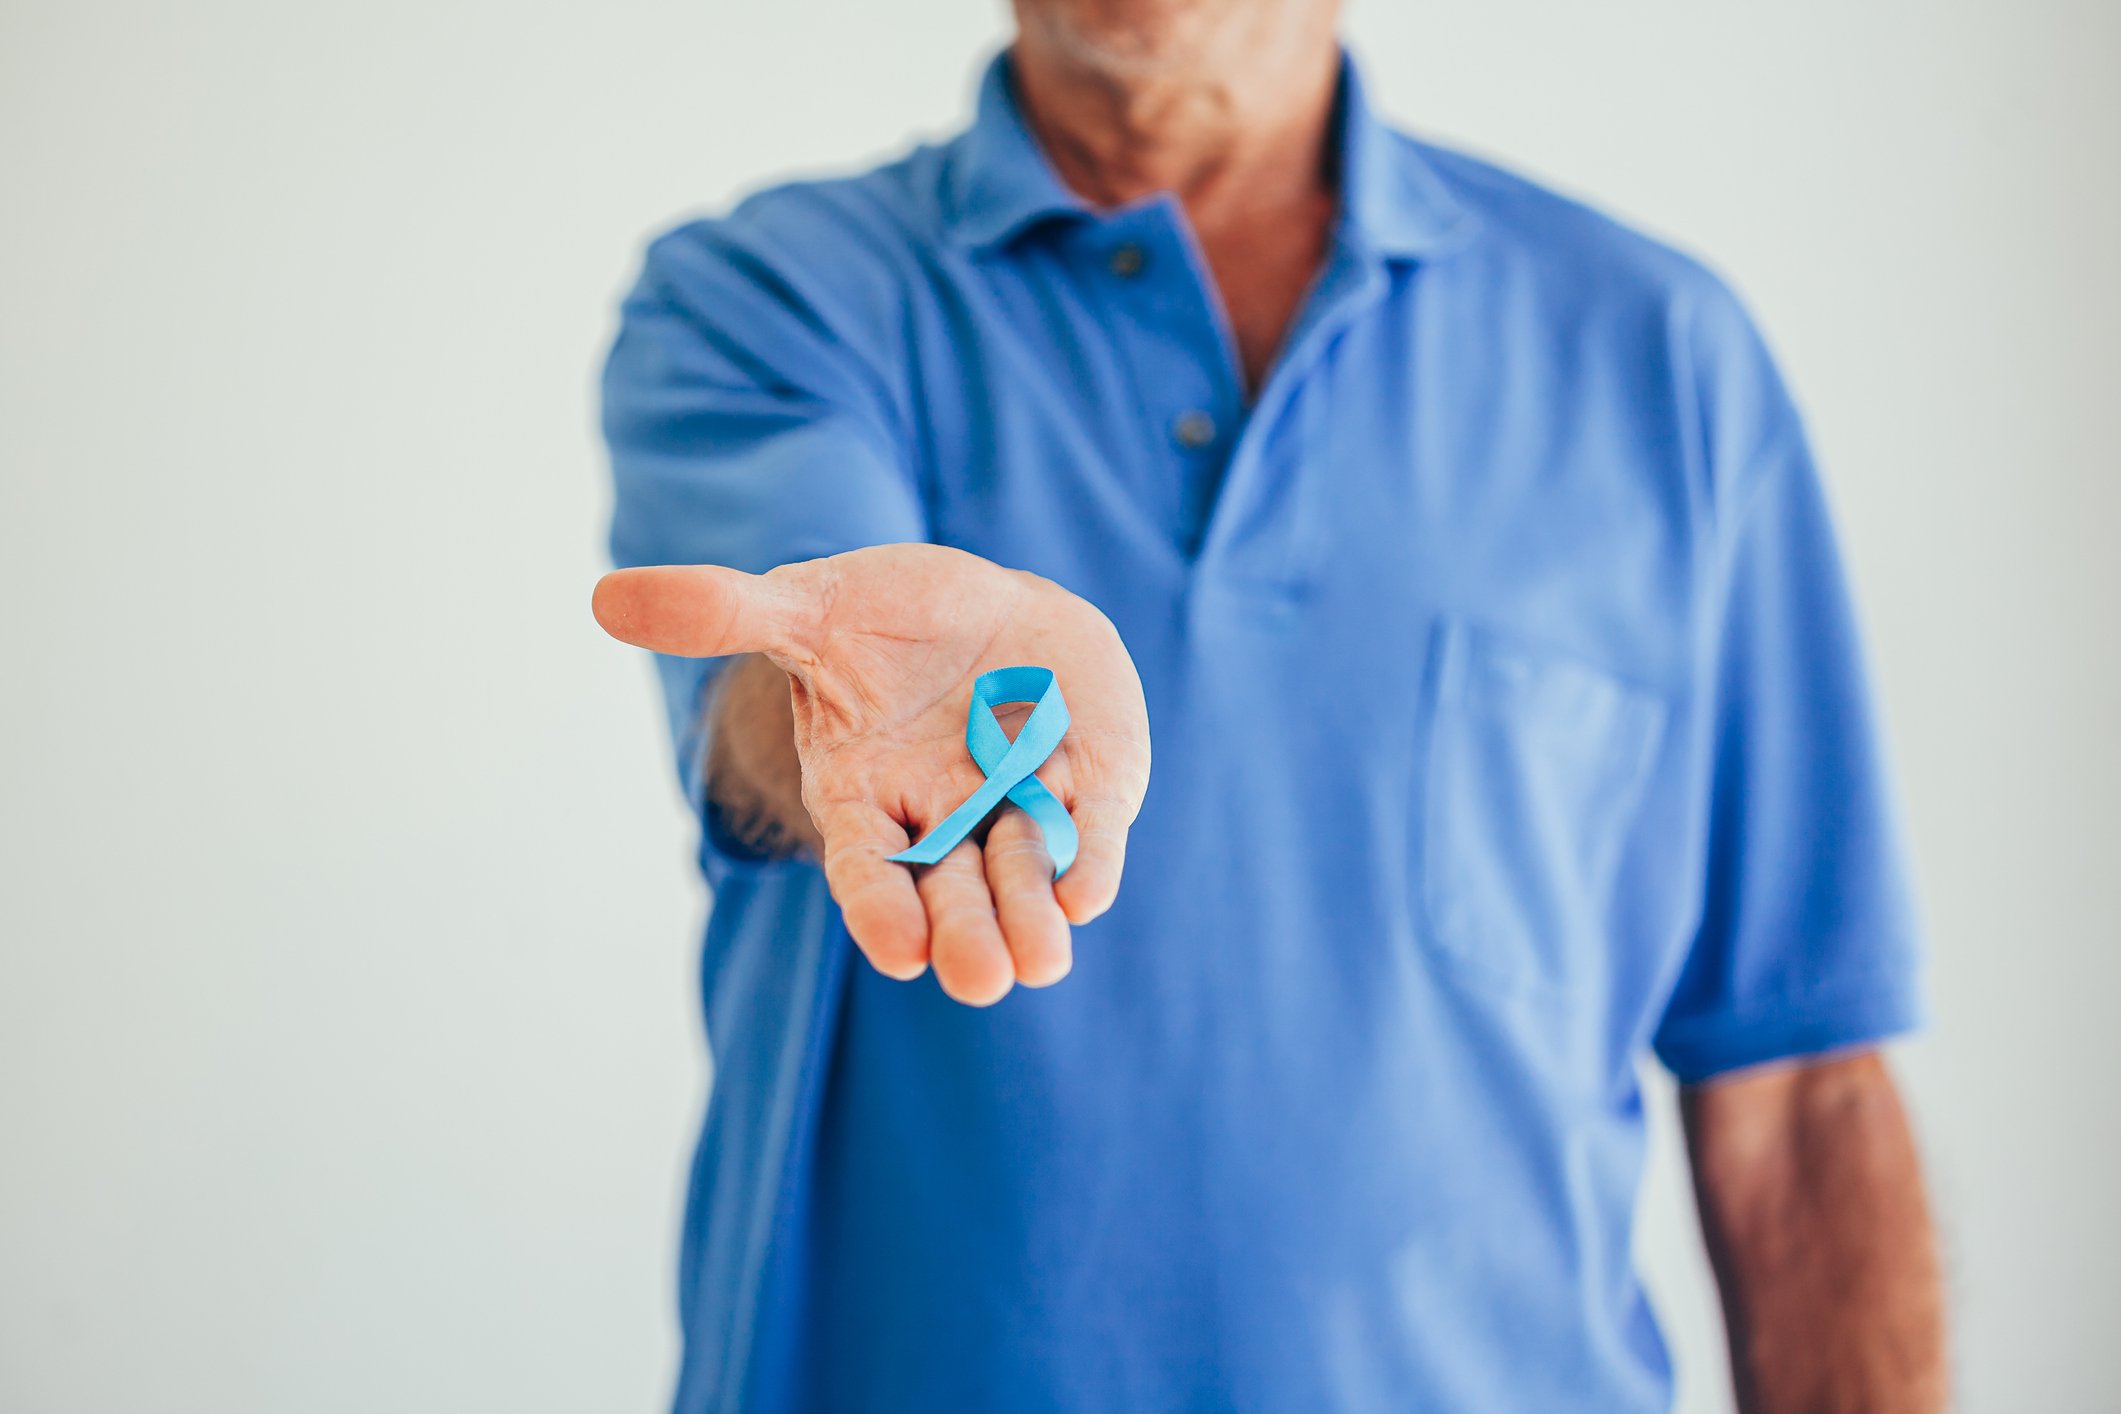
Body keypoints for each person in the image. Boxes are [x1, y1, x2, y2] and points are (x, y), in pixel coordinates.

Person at [593, 2, 1946, 1409]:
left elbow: (1795, 1097)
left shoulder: (1664, 363)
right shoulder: (766, 298)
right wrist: (833, 726)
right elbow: (769, 685)